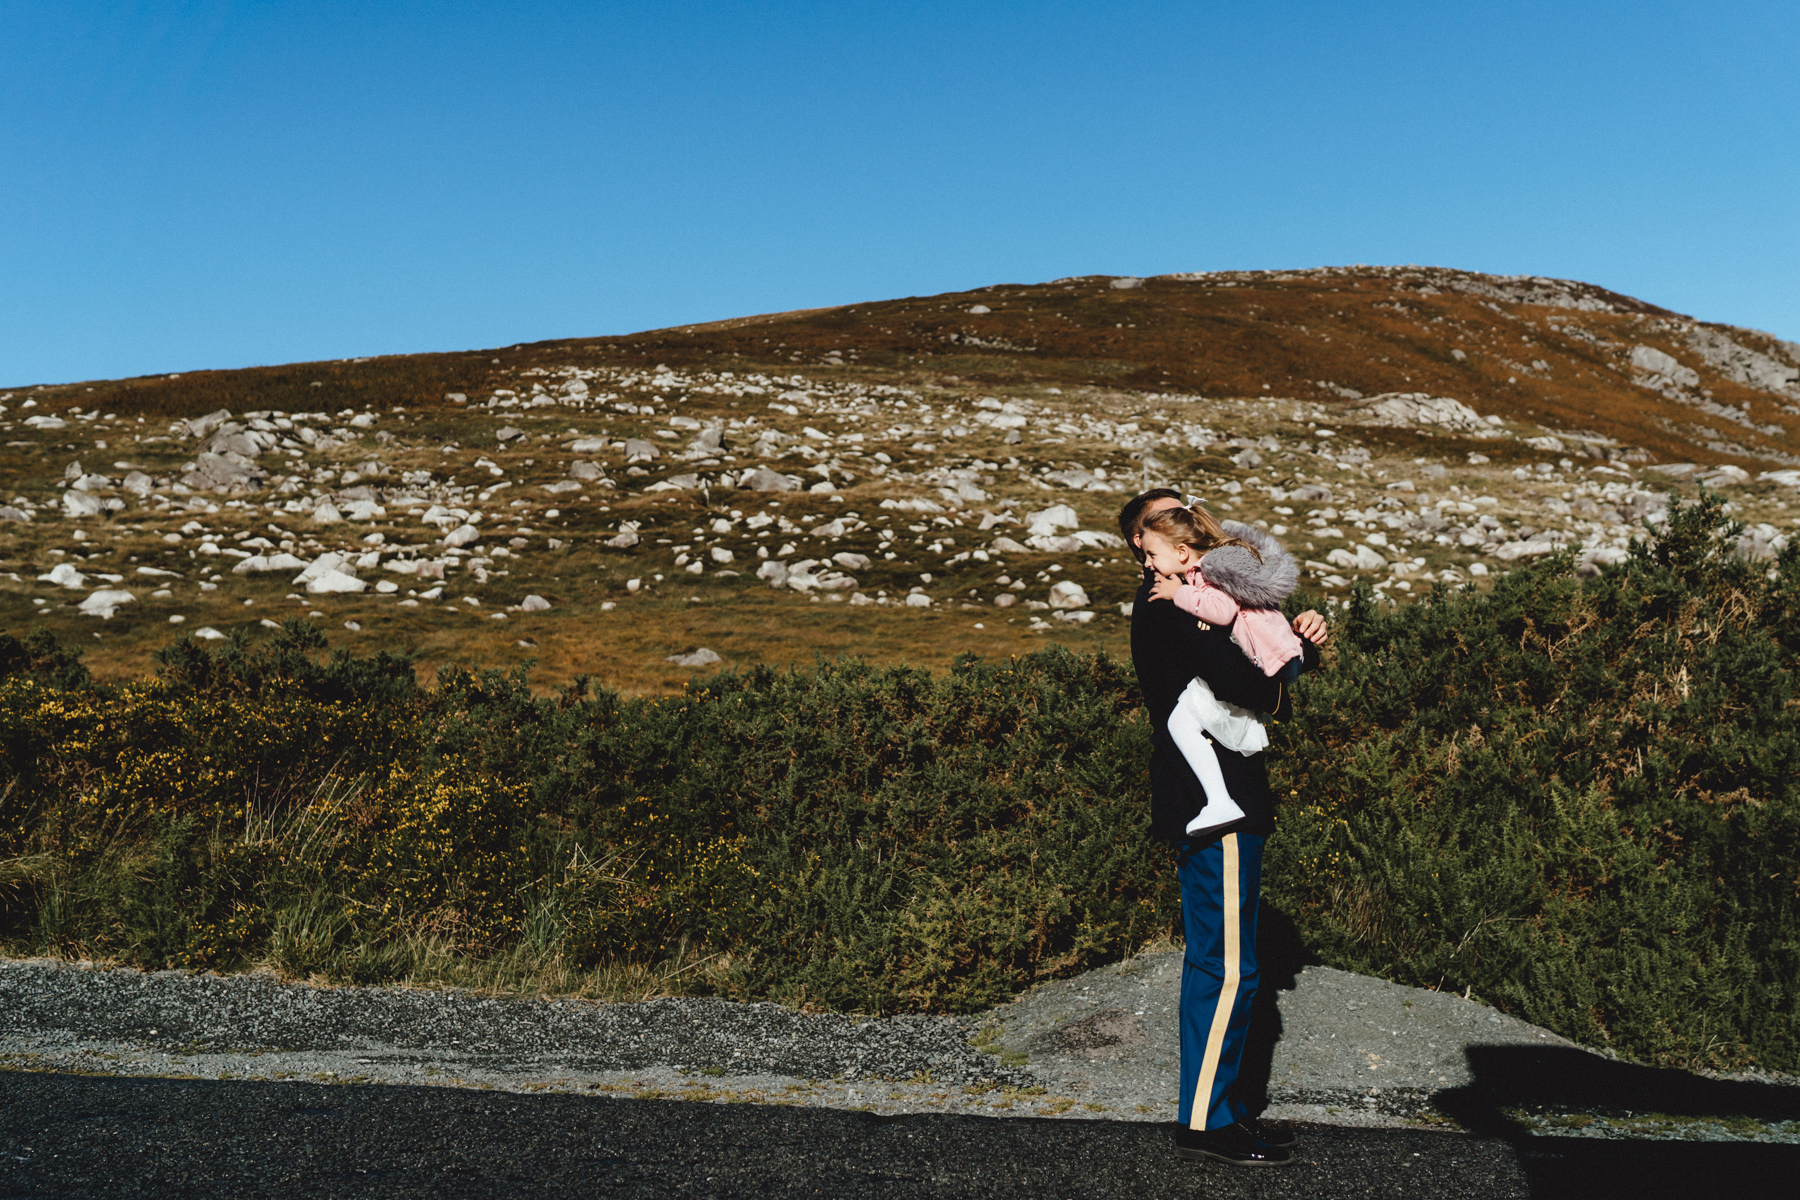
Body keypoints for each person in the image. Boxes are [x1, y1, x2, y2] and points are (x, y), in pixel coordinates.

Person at [1117, 487, 1330, 1168]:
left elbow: (1258, 673)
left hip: (1217, 804)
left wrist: (1299, 642)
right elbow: (1254, 686)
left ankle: (1217, 1109)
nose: (1187, 521)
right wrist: (1283, 644)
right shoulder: (1168, 611)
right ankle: (1207, 1120)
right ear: (1143, 545)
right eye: (1165, 517)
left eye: (1185, 508)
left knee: (1222, 960)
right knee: (1229, 966)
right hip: (1219, 807)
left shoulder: (1198, 603)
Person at [1136, 504, 1306, 837]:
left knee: (1180, 723)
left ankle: (1219, 801)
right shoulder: (1212, 567)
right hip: (1272, 654)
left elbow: (1222, 610)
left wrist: (1178, 593)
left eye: (1153, 554)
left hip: (1265, 660)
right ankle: (1219, 800)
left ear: (1182, 552)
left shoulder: (1207, 573)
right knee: (1181, 722)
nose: (1148, 563)